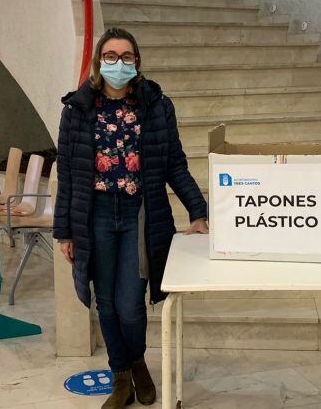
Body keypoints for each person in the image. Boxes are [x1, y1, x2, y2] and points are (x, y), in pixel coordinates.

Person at [54, 28, 209, 408]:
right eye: (110, 56)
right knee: (104, 301)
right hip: (96, 215)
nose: (118, 63)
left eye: (126, 56)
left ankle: (137, 361)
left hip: (140, 213)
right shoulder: (77, 110)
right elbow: (68, 173)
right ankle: (121, 376)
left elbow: (174, 162)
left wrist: (198, 210)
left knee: (130, 303)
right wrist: (64, 231)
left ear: (136, 62)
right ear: (98, 62)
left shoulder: (156, 105)